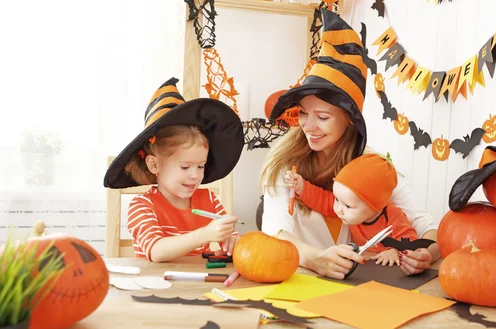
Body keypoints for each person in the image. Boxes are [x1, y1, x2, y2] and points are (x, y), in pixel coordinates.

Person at [259, 9, 440, 280]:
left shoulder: (372, 168)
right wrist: (315, 259)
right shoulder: (285, 163)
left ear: (350, 121)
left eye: (322, 117)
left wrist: (426, 253)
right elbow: (273, 231)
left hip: (359, 285)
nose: (308, 126)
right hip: (299, 279)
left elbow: (428, 227)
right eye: (304, 113)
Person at [104, 77, 245, 263]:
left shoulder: (209, 200)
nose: (195, 175)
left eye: (201, 166)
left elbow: (232, 238)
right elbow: (156, 251)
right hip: (154, 284)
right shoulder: (142, 206)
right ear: (154, 165)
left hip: (196, 284)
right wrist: (205, 235)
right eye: (185, 166)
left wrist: (232, 242)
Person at [285, 152, 420, 271]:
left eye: (348, 206)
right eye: (337, 199)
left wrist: (395, 251)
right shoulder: (348, 205)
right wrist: (301, 187)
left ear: (374, 206)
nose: (338, 209)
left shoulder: (392, 216)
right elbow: (322, 199)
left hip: (391, 271)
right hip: (366, 267)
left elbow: (410, 241)